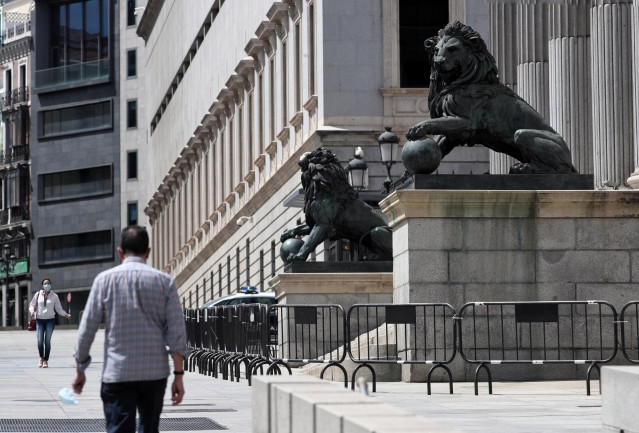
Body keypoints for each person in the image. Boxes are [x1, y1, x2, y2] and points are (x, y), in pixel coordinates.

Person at [72, 226, 188, 433]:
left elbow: (87, 328)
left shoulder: (104, 280)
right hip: (154, 373)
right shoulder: (164, 282)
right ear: (148, 252)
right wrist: (178, 375)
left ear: (120, 251)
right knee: (149, 429)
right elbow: (177, 332)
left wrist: (80, 368)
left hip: (118, 372)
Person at [29, 279, 71, 368]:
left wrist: (65, 314)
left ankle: (45, 360)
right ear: (42, 286)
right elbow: (32, 305)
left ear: (51, 284)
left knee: (47, 341)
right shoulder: (37, 294)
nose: (47, 285)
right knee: (40, 341)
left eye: (48, 283)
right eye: (45, 284)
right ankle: (41, 357)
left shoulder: (54, 296)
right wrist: (32, 311)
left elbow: (58, 308)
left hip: (50, 321)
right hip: (40, 320)